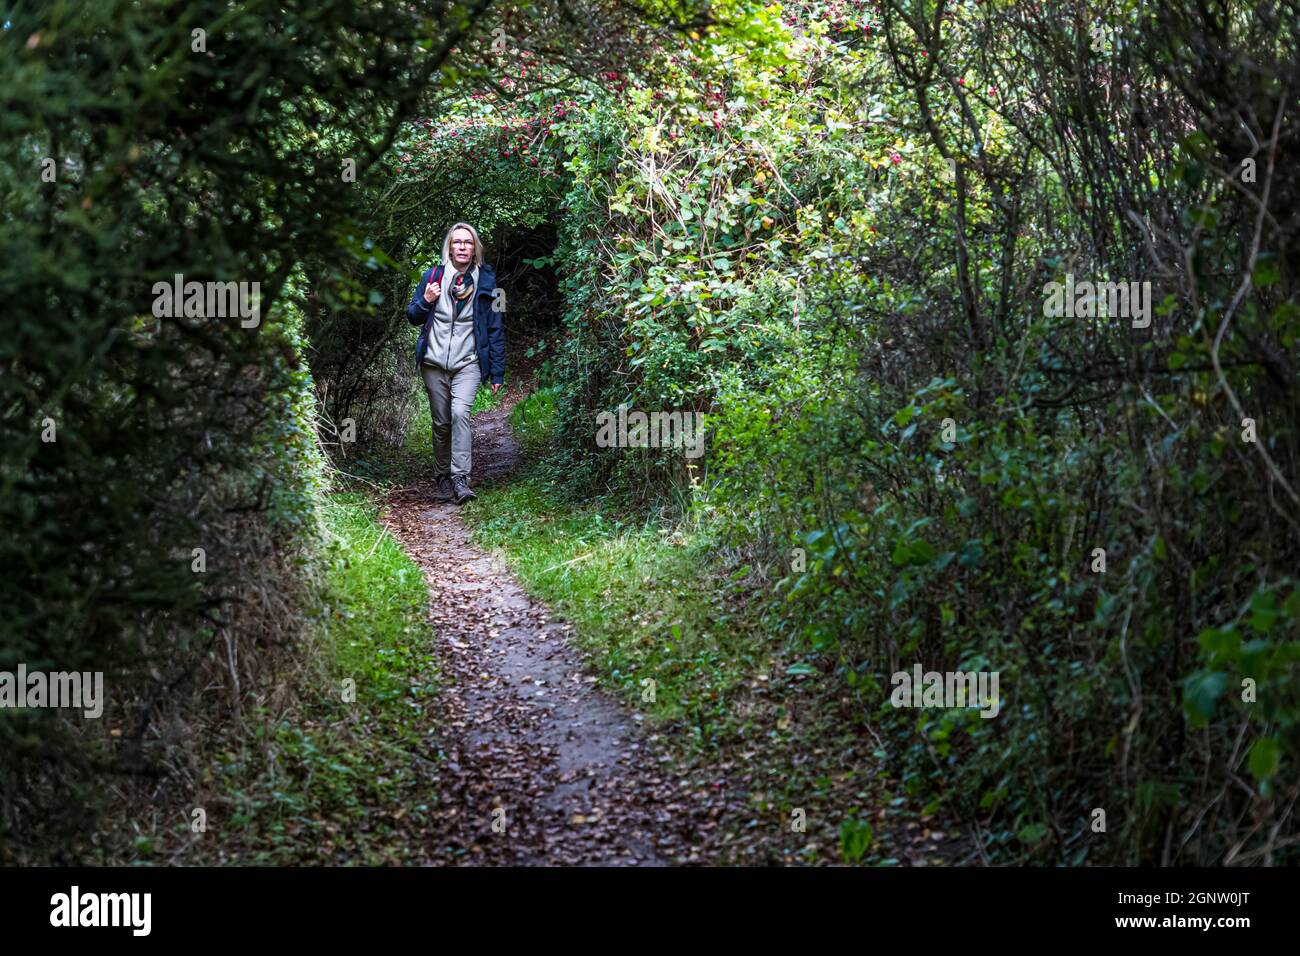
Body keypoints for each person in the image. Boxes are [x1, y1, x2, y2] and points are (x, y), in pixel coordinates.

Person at [406, 222, 505, 504]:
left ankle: (461, 478)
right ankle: (442, 475)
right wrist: (426, 300)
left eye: (468, 242)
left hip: (469, 362)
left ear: (475, 250)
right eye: (457, 242)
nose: (463, 247)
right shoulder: (432, 277)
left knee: (460, 413)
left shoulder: (487, 282)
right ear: (449, 248)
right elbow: (413, 316)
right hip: (433, 362)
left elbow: (495, 326)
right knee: (441, 422)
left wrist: (497, 371)